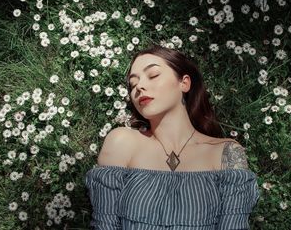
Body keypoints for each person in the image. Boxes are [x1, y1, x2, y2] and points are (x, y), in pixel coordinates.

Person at [84, 44, 260, 230]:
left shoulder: (226, 152)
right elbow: (105, 224)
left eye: (153, 75)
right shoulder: (122, 142)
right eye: (133, 84)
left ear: (184, 83)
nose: (140, 87)